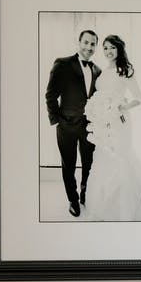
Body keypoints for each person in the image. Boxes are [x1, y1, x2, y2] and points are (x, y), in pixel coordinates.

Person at [82, 35, 141, 221]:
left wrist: (122, 107)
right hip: (104, 123)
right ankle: (103, 203)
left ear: (119, 49)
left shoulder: (125, 70)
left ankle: (123, 205)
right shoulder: (102, 72)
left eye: (112, 48)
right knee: (103, 156)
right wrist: (98, 111)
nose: (108, 51)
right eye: (105, 48)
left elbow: (139, 97)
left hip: (120, 122)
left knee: (120, 157)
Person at [45, 30, 101, 218]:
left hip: (89, 127)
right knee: (68, 165)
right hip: (66, 126)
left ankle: (86, 194)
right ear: (78, 42)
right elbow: (50, 95)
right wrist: (56, 121)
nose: (89, 47)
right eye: (86, 42)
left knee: (89, 164)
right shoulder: (62, 64)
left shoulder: (97, 70)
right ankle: (73, 200)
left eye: (93, 44)